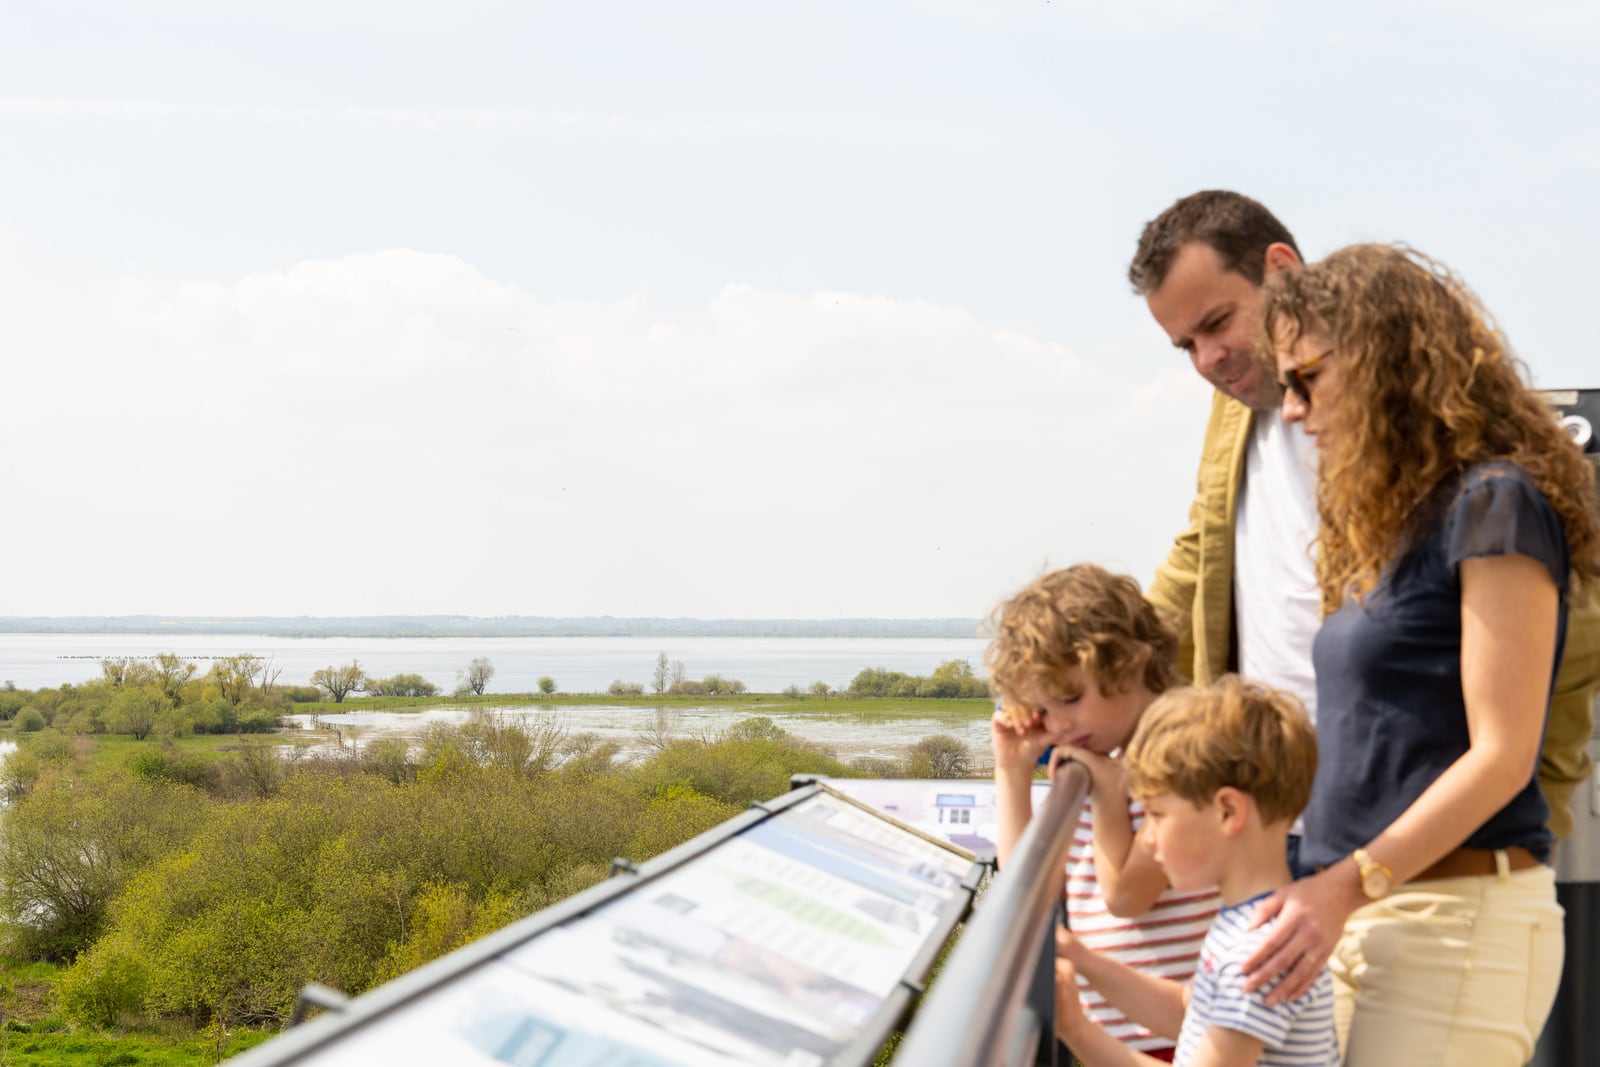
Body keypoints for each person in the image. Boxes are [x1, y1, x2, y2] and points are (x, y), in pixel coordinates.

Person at [1128, 190, 1600, 844]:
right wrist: (1089, 672)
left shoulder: (1446, 431)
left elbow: (1566, 633)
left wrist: (1529, 810)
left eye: (1216, 323)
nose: (1208, 359)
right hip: (1273, 825)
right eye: (1186, 345)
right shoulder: (1232, 413)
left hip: (1425, 838)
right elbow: (1197, 565)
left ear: (1281, 267)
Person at [1237, 243, 1600, 1064]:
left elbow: (1504, 757)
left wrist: (1342, 885)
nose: (1291, 409)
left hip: (1454, 922)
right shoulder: (1396, 525)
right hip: (1368, 914)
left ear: (1382, 363)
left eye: (1307, 378)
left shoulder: (1494, 500)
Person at [988, 564, 1220, 1061]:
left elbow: (1127, 897)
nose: (1060, 723)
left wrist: (1111, 795)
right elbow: (1030, 891)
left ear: (1130, 664)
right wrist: (1013, 772)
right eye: (1044, 710)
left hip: (1184, 1038)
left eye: (1071, 697)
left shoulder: (1186, 754)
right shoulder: (1097, 759)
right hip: (1117, 1038)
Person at [1053, 675, 1337, 1067]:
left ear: (1228, 811)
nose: (1148, 839)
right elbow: (1188, 1010)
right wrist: (1081, 958)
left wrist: (1076, 1030)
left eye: (1156, 815)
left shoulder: (1258, 954)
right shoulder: (1249, 924)